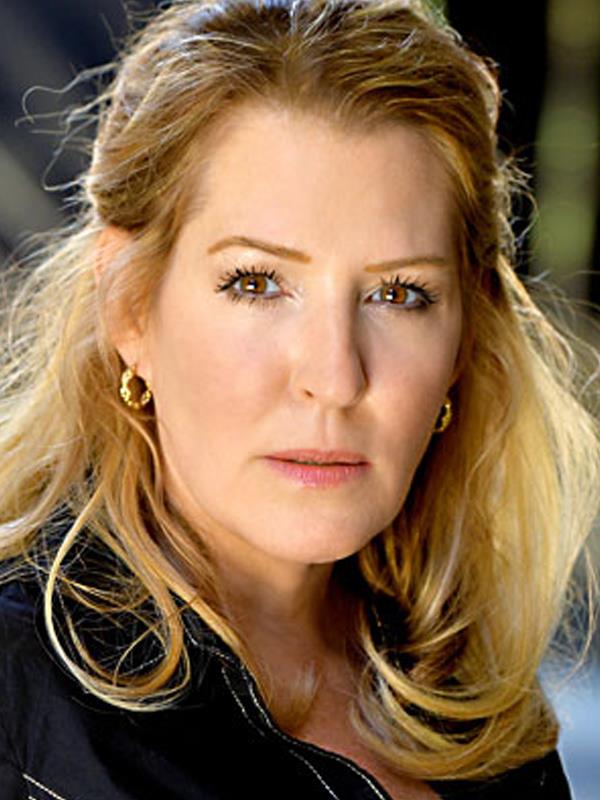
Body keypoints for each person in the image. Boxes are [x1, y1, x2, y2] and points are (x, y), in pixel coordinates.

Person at [0, 0, 598, 797]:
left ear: (463, 340)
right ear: (130, 306)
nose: (336, 376)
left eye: (399, 294)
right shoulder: (18, 709)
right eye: (256, 283)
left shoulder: (476, 706)